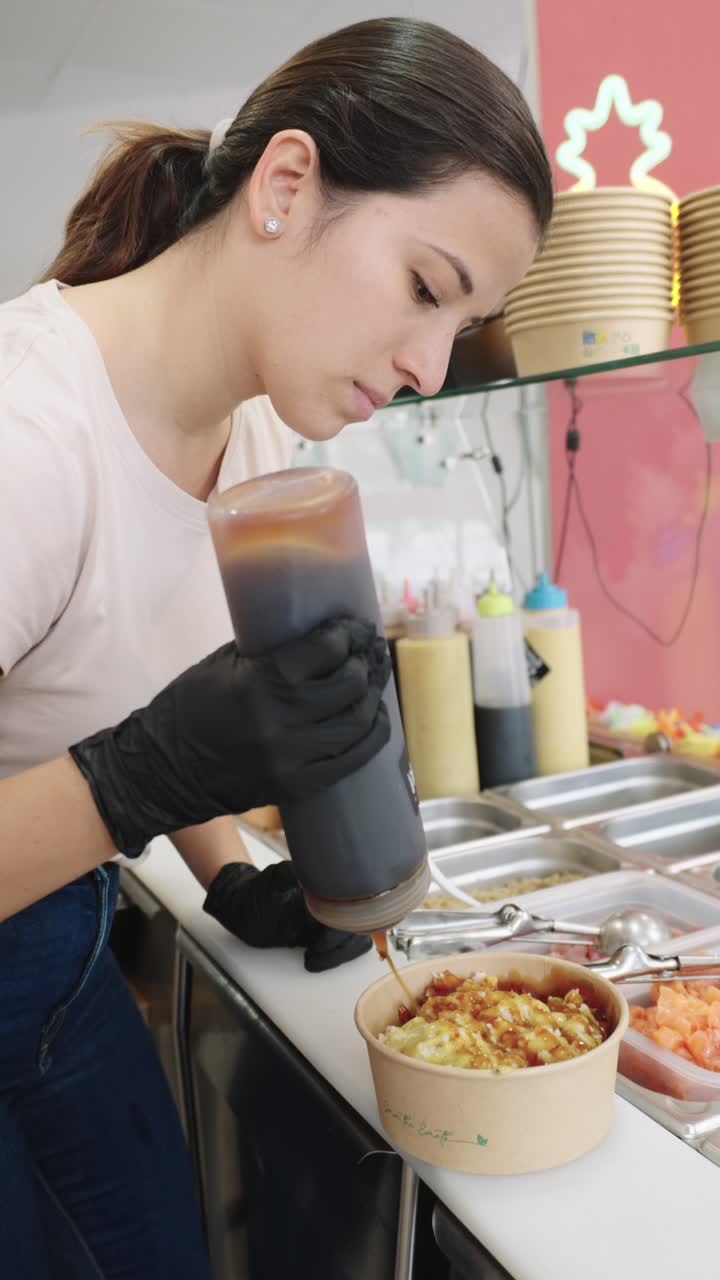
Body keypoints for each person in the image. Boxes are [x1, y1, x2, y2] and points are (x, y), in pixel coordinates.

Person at [0, 16, 552, 1278]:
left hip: (62, 947)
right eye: (426, 289)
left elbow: (136, 689)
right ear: (288, 186)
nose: (426, 368)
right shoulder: (27, 435)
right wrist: (136, 781)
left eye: (462, 329)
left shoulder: (256, 443)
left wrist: (224, 858)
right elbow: (132, 748)